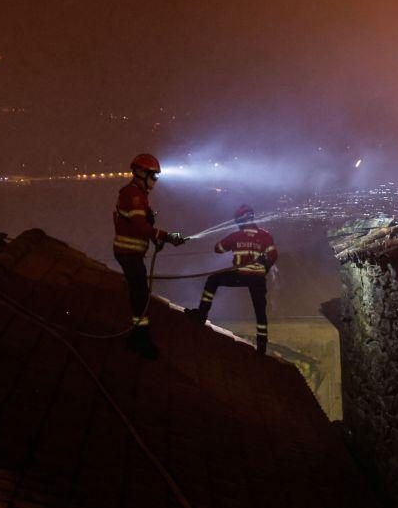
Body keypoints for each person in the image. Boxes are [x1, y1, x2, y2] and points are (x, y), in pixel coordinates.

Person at [114, 153, 188, 359]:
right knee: (140, 295)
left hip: (131, 253)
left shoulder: (137, 194)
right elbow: (139, 226)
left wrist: (157, 238)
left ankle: (139, 334)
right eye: (153, 176)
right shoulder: (135, 196)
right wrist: (165, 236)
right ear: (140, 173)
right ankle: (139, 338)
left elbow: (141, 226)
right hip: (128, 253)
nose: (155, 180)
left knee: (140, 293)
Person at [185, 205, 278, 354]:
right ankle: (262, 345)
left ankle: (201, 315)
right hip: (258, 279)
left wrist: (233, 241)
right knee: (260, 310)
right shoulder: (265, 235)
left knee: (213, 280)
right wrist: (264, 268)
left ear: (240, 220)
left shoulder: (235, 236)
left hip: (240, 276)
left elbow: (218, 248)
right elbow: (273, 256)